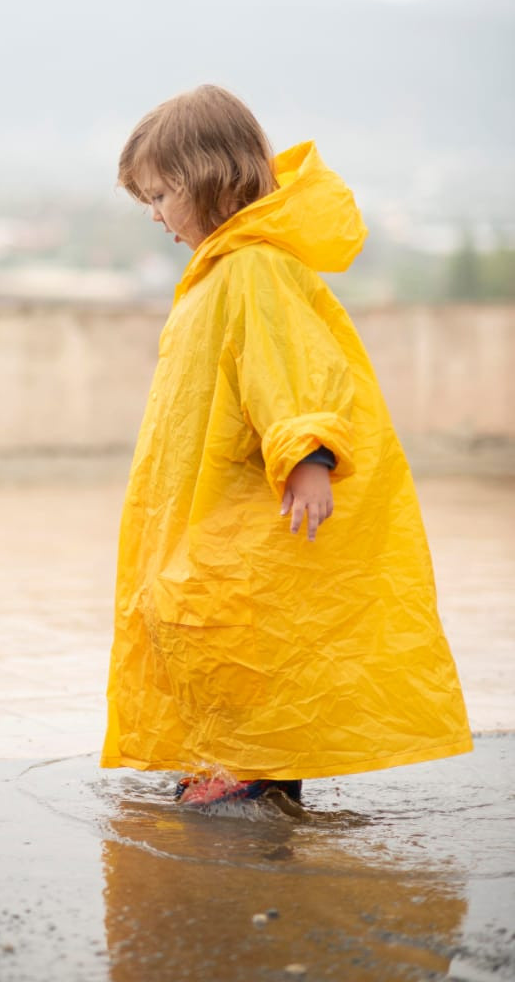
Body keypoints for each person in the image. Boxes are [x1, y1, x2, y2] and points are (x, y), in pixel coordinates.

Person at [100, 85, 472, 809]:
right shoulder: (222, 268)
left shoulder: (254, 268)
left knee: (243, 630)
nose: (155, 213)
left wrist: (307, 456)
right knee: (201, 622)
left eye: (162, 194)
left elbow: (291, 367)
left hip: (246, 496)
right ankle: (229, 755)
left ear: (209, 178)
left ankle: (253, 767)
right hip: (210, 494)